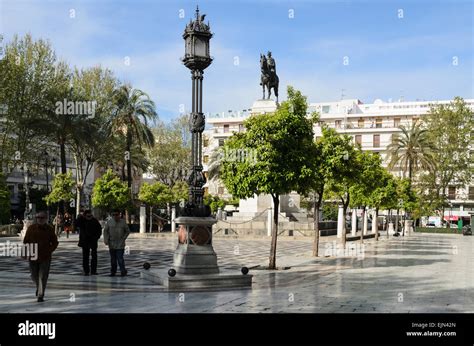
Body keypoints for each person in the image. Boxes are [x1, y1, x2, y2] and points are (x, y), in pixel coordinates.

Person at [23, 211, 59, 302]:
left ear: (46, 219)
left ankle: (40, 294)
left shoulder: (49, 229)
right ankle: (38, 287)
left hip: (45, 256)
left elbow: (55, 242)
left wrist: (49, 250)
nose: (40, 219)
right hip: (33, 255)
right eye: (38, 217)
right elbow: (26, 241)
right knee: (34, 275)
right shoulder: (31, 228)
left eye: (42, 218)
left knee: (43, 276)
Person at [103, 210, 130, 277]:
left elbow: (127, 231)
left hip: (120, 244)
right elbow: (105, 231)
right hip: (111, 243)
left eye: (117, 214)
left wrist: (124, 238)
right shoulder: (109, 222)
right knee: (113, 260)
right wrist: (106, 240)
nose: (115, 216)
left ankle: (123, 271)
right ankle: (113, 272)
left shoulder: (123, 222)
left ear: (119, 215)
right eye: (113, 215)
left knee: (120, 258)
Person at [78, 210, 102, 276]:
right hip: (85, 241)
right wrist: (81, 217)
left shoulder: (94, 221)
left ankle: (93, 271)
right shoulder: (82, 221)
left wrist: (97, 237)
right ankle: (86, 271)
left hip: (93, 241)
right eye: (88, 216)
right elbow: (76, 223)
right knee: (85, 257)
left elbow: (99, 229)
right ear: (85, 215)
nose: (89, 217)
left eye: (90, 215)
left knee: (94, 256)